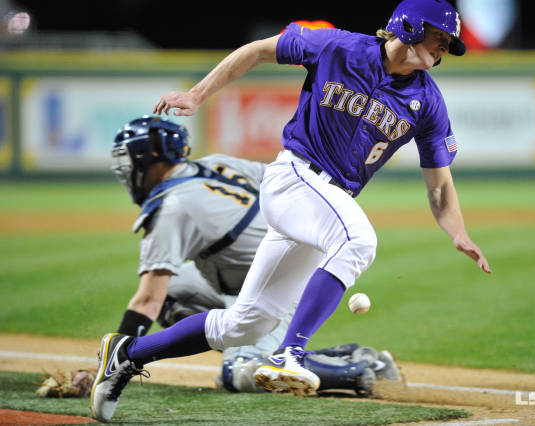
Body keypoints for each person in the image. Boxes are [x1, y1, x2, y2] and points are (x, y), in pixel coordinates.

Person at [90, 0, 491, 421]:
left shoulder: (427, 100)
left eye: (448, 43)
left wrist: (457, 232)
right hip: (294, 177)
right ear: (408, 25)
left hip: (323, 203)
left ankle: (127, 353)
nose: (444, 48)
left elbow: (440, 184)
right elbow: (258, 51)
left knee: (245, 326)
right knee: (358, 240)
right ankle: (290, 353)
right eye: (440, 37)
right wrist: (196, 94)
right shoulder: (337, 47)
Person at [106, 116, 400, 396]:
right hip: (242, 279)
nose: (127, 171)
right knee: (173, 292)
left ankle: (362, 367)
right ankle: (252, 345)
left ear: (150, 159)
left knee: (241, 373)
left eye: (129, 161)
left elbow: (147, 300)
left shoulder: (172, 208)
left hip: (276, 286)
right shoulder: (217, 163)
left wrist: (105, 369)